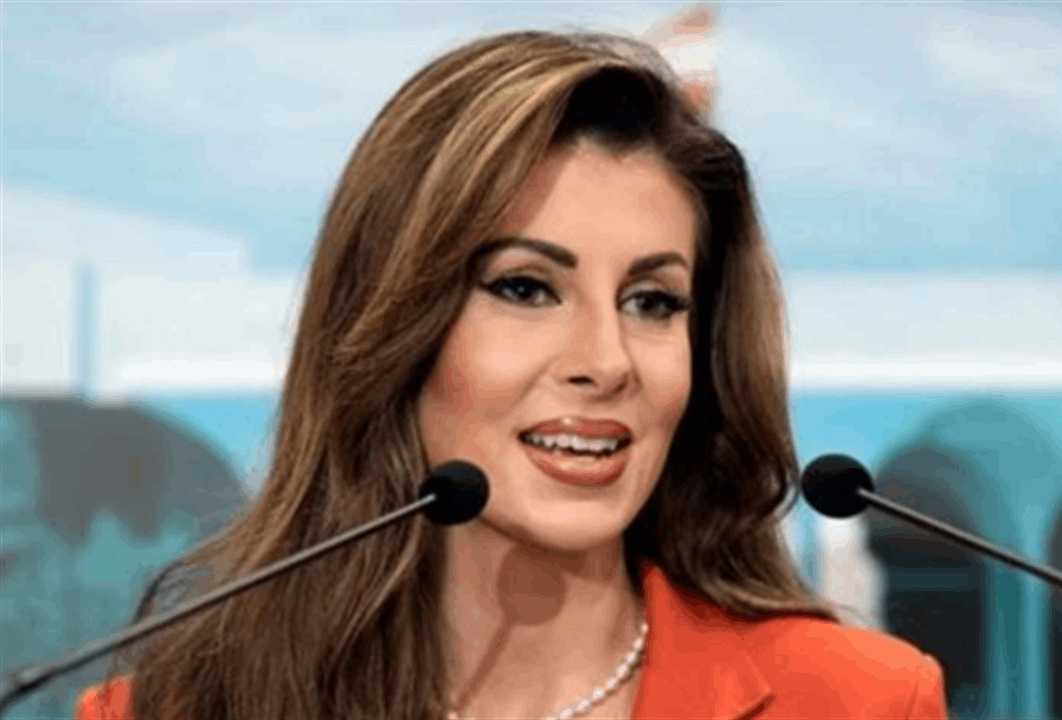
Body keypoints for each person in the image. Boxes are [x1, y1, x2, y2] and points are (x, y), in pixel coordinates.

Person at [75, 28, 948, 720]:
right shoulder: (171, 713)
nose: (606, 362)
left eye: (653, 302)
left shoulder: (862, 702)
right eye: (526, 288)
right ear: (393, 325)